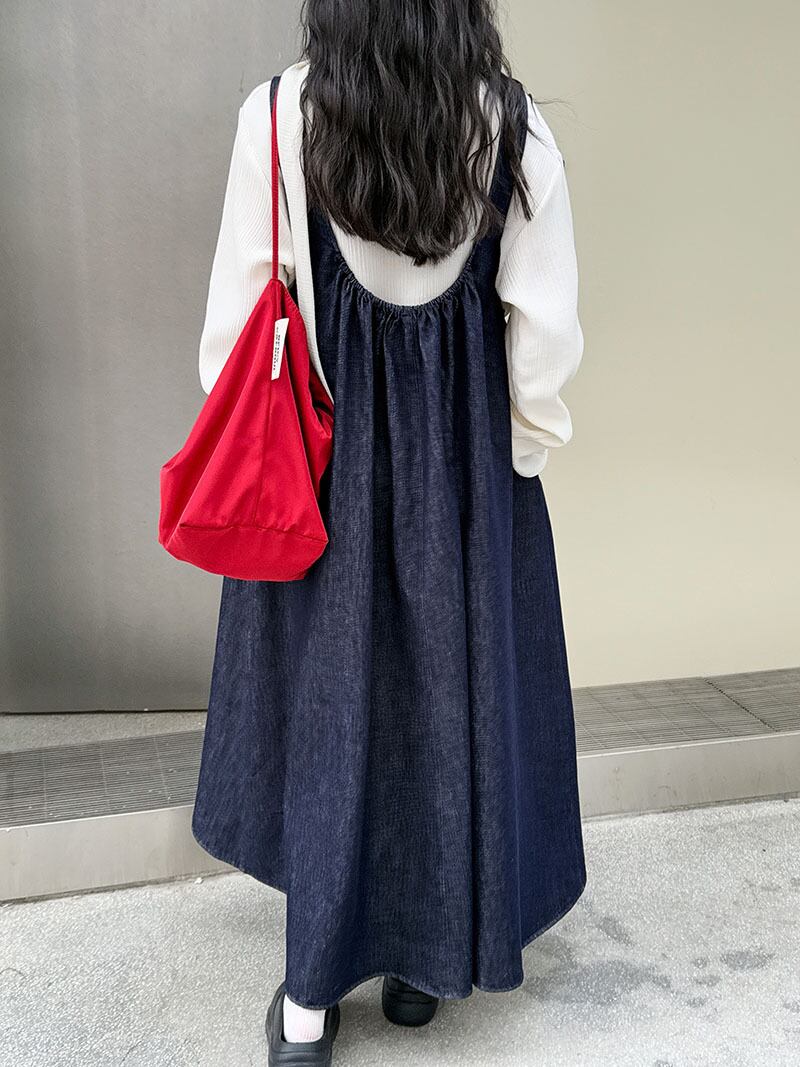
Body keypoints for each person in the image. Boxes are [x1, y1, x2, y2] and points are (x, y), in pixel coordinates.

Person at [191, 2, 586, 1063]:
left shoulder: (277, 118)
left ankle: (309, 1007)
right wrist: (522, 452)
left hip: (320, 471)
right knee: (449, 703)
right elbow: (543, 335)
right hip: (465, 473)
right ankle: (421, 968)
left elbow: (234, 328)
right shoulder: (510, 127)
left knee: (329, 715)